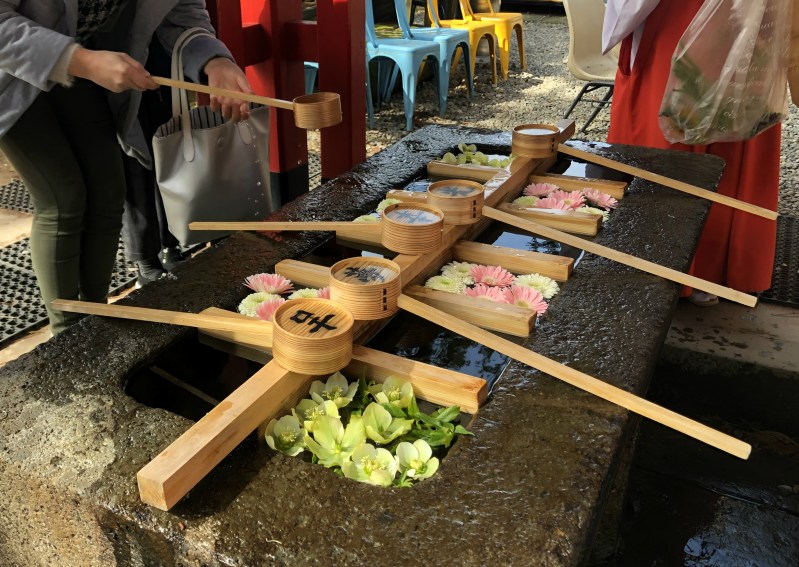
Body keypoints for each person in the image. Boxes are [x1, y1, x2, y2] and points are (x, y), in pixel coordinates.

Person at [0, 0, 253, 334]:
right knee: (64, 199)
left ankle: (93, 319)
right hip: (12, 68)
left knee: (108, 192)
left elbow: (182, 11)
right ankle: (67, 337)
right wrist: (83, 61)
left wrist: (214, 59)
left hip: (82, 58)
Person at [602, 0, 782, 306]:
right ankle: (727, 266)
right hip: (753, 13)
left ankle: (667, 266)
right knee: (735, 122)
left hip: (682, 14)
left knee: (678, 127)